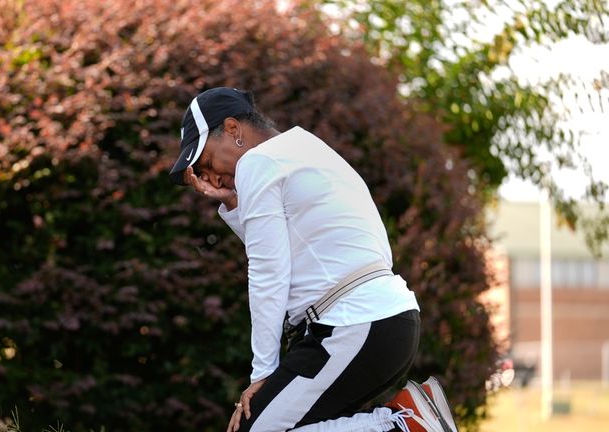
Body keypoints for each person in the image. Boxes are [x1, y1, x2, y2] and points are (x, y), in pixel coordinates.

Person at [169, 87, 458, 432]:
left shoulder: (256, 163)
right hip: (384, 321)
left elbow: (268, 271)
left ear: (233, 129)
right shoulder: (304, 148)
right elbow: (287, 251)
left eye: (206, 162)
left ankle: (401, 426)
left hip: (353, 324)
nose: (209, 178)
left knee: (257, 428)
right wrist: (233, 204)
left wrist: (263, 372)